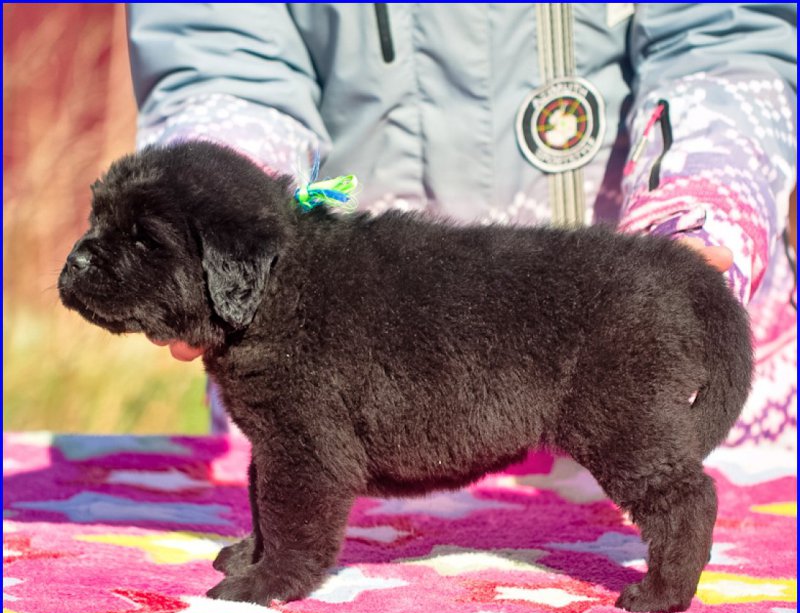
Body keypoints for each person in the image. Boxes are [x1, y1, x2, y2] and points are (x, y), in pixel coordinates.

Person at [126, 3, 797, 451]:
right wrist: (219, 217)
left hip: (644, 365)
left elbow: (726, 34)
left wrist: (703, 212)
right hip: (353, 387)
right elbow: (222, 55)